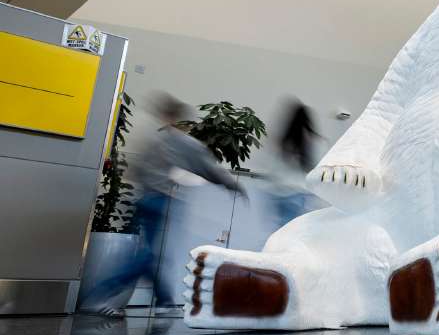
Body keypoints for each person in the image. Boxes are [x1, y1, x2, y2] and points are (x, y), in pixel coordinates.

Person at [85, 93, 245, 316]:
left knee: (154, 254)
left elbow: (137, 169)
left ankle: (164, 302)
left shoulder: (155, 140)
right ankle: (100, 296)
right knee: (151, 256)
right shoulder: (185, 142)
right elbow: (209, 168)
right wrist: (234, 185)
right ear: (180, 119)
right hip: (164, 201)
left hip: (145, 200)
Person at [267, 99, 320, 226]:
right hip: (298, 193)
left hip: (279, 193)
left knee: (280, 230)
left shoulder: (284, 141)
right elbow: (313, 169)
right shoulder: (309, 141)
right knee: (292, 232)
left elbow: (274, 167)